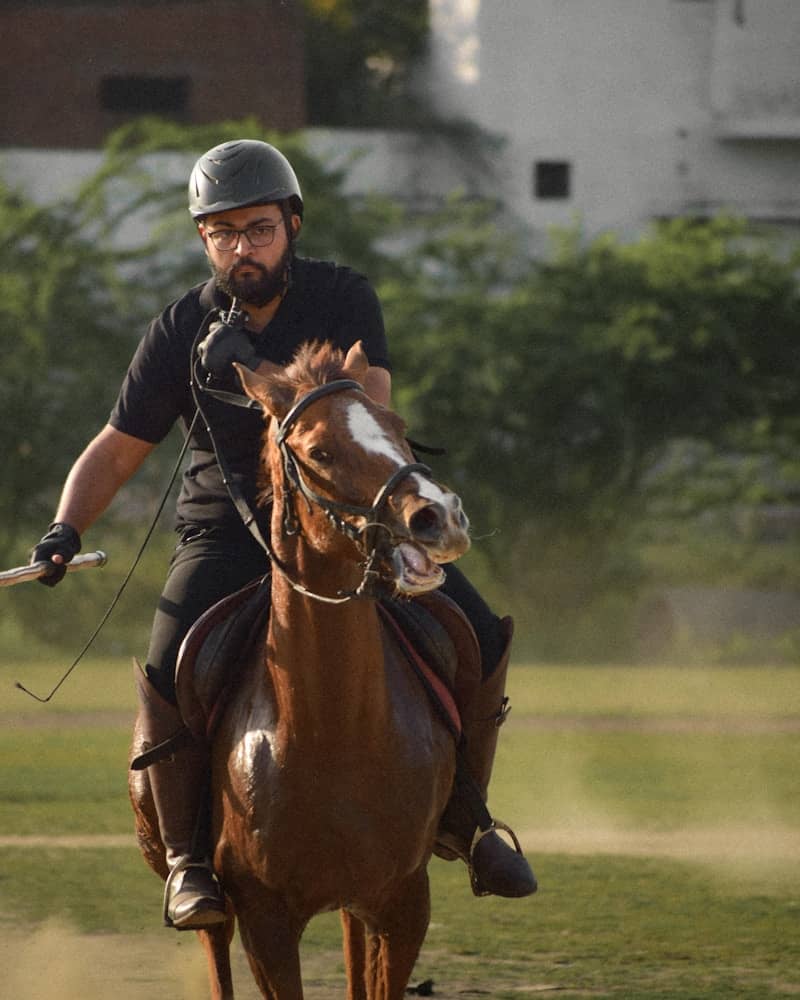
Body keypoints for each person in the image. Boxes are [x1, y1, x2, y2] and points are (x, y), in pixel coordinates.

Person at [30, 139, 536, 930]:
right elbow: (117, 446)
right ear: (204, 239)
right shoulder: (177, 330)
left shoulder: (342, 296)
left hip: (343, 521)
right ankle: (192, 862)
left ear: (291, 225)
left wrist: (254, 372)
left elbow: (366, 405)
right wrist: (64, 528)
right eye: (223, 232)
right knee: (168, 673)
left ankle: (467, 820)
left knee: (473, 629)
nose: (242, 246)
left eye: (258, 228)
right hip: (223, 530)